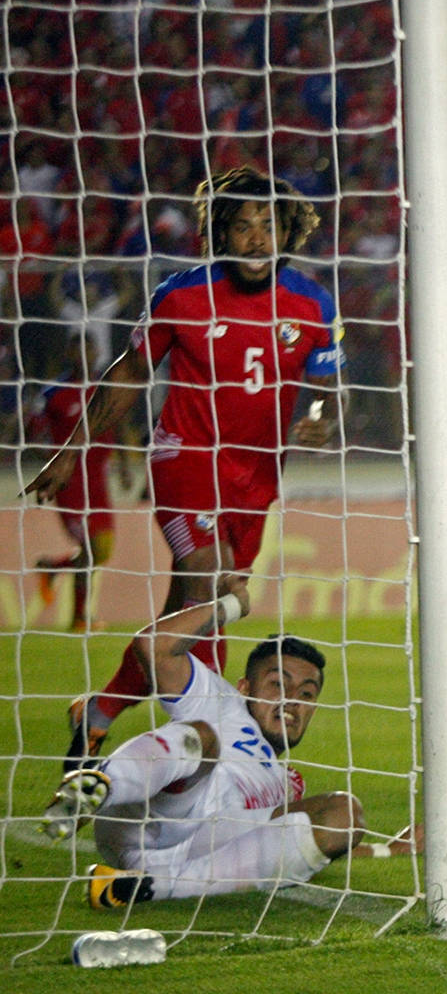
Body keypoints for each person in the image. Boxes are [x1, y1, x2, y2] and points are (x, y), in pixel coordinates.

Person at [25, 166, 343, 771]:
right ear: (221, 233)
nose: (256, 239)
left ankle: (97, 713)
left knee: (192, 611)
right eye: (242, 226)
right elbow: (127, 375)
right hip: (185, 456)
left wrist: (323, 418)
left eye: (268, 225)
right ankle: (207, 746)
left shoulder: (312, 302)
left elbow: (329, 388)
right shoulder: (181, 294)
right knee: (210, 573)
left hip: (258, 477)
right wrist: (70, 453)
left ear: (288, 232)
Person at [39, 580, 367, 909]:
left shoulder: (288, 782)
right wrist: (231, 605)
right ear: (243, 687)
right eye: (277, 684)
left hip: (205, 846)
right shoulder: (221, 701)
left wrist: (393, 848)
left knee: (345, 812)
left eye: (306, 694)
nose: (292, 701)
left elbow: (294, 843)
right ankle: (98, 788)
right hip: (151, 814)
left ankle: (147, 886)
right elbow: (153, 646)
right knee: (203, 737)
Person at [30, 333, 129, 633]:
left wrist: (124, 464)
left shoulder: (108, 385)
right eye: (78, 347)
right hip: (70, 483)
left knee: (103, 549)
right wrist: (52, 463)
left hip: (98, 480)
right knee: (88, 550)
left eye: (90, 346)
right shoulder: (53, 393)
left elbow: (120, 424)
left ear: (97, 351)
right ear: (69, 352)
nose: (85, 353)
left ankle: (54, 568)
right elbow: (33, 434)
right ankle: (79, 619)